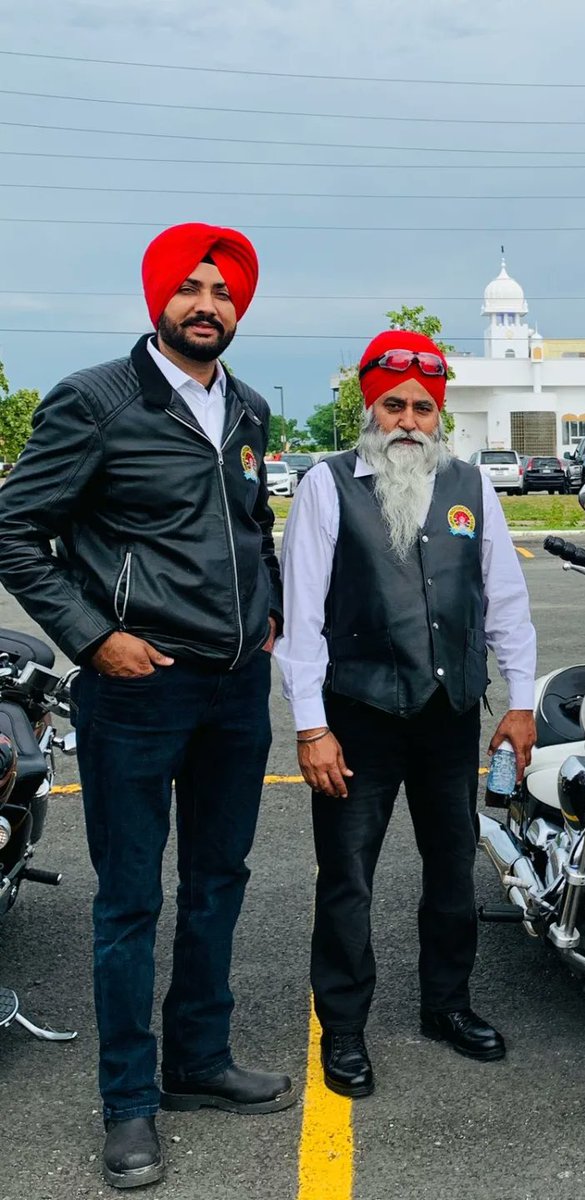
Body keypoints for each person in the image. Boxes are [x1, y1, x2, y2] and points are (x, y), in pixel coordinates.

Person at [0, 223, 292, 1190]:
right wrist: (94, 638)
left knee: (219, 880)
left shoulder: (247, 408)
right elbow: (13, 531)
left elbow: (252, 522)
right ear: (157, 298)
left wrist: (270, 606)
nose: (208, 305)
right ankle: (128, 1102)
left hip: (234, 687)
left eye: (224, 292)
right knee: (130, 900)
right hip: (136, 686)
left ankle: (198, 1060)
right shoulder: (95, 402)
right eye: (191, 288)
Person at [273, 330, 537, 1098]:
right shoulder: (327, 487)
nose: (409, 422)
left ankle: (446, 1004)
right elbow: (302, 619)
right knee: (347, 879)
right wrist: (312, 727)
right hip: (358, 718)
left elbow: (505, 601)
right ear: (370, 409)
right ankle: (343, 1029)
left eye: (424, 408)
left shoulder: (470, 486)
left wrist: (521, 701)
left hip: (448, 714)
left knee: (452, 869)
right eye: (395, 406)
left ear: (439, 415)